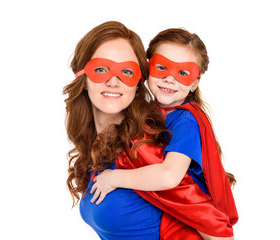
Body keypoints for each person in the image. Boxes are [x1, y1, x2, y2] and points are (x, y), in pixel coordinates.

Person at [65, 21, 235, 240]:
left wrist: (115, 177)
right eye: (101, 69)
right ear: (82, 76)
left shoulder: (145, 148)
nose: (113, 81)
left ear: (138, 80)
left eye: (126, 71)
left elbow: (210, 221)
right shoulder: (103, 143)